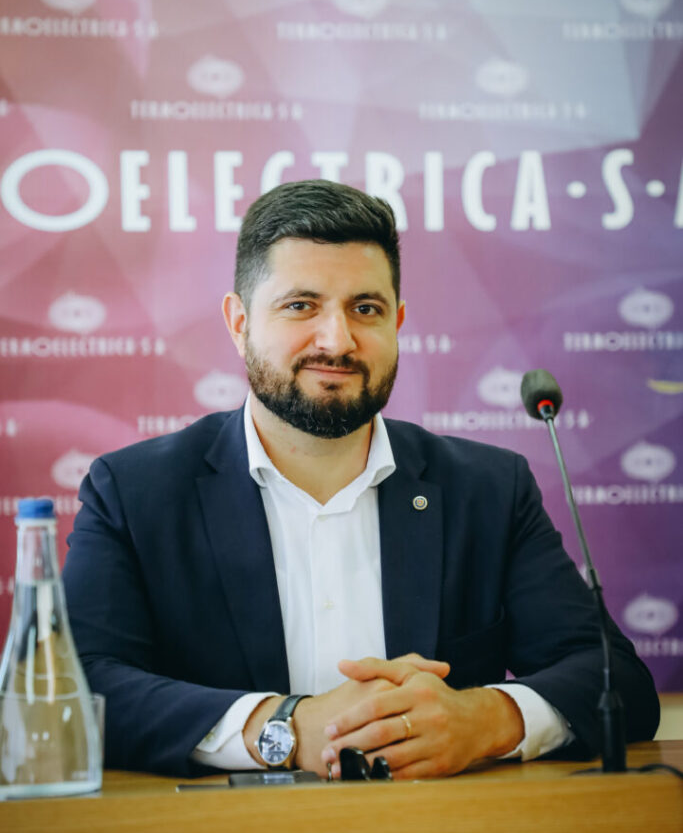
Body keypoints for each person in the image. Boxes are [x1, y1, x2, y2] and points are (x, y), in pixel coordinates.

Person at [63, 179, 659, 780]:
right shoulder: (133, 493)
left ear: (397, 322)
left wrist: (484, 719)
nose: (337, 340)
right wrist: (283, 727)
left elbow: (617, 681)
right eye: (301, 306)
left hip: (442, 831)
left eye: (365, 309)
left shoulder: (489, 490)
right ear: (239, 322)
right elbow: (77, 684)